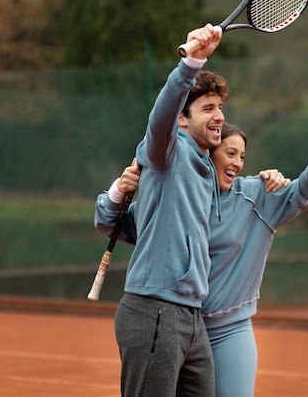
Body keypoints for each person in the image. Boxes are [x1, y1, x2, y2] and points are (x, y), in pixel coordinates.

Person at [96, 120, 308, 397]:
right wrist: (118, 189)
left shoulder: (257, 196)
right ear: (207, 157)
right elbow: (108, 223)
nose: (237, 163)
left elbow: (305, 191)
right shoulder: (173, 200)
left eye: (242, 156)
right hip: (176, 328)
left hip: (229, 333)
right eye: (230, 153)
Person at [98, 23, 225, 397]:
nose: (218, 116)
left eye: (220, 108)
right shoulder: (168, 151)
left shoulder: (203, 169)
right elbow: (160, 120)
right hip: (155, 311)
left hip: (190, 316)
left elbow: (117, 224)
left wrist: (114, 198)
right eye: (207, 109)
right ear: (182, 120)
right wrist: (192, 63)